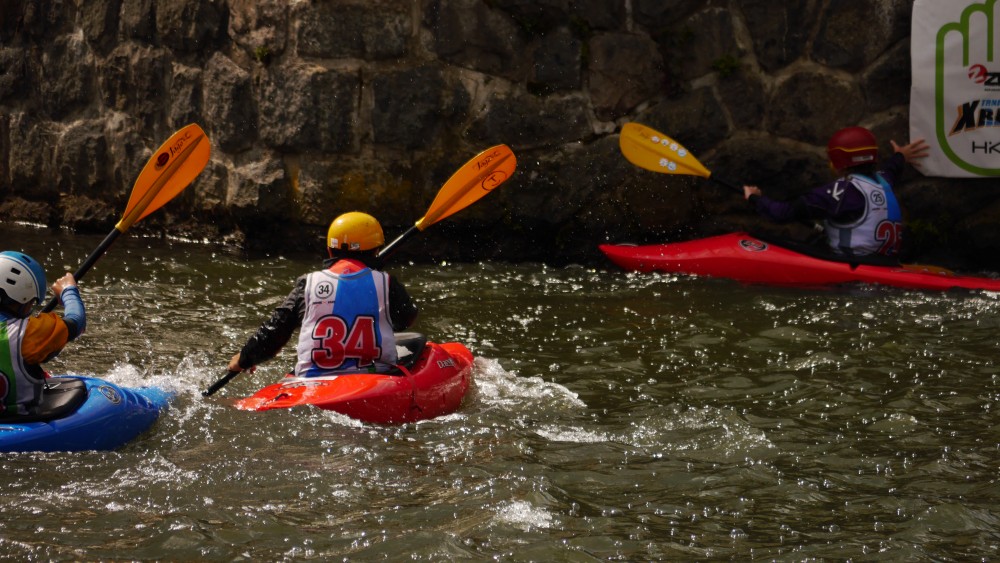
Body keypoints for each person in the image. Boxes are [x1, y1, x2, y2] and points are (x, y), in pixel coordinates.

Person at [228, 212, 418, 378]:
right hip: (374, 377)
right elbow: (405, 319)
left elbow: (275, 332)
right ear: (376, 250)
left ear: (329, 250)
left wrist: (245, 358)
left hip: (312, 382)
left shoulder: (307, 284)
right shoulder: (387, 283)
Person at [743, 127, 930, 258]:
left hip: (853, 275)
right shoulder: (884, 181)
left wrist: (754, 198)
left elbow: (781, 214)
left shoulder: (840, 193)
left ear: (838, 161)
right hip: (886, 265)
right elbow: (892, 168)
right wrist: (901, 155)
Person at [0, 251, 86, 417]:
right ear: (24, 299)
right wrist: (68, 290)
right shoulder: (28, 332)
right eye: (32, 303)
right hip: (18, 421)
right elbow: (77, 322)